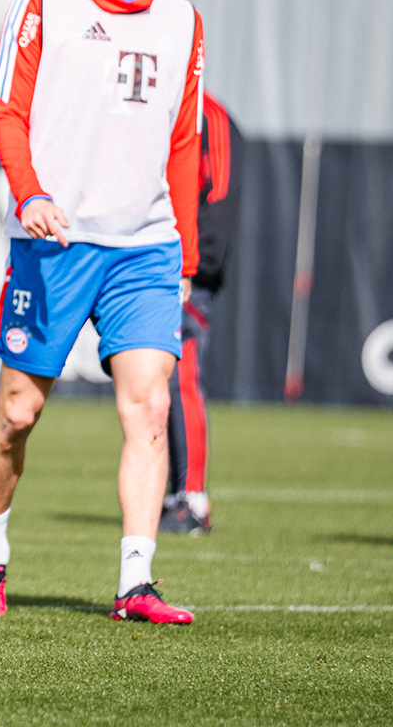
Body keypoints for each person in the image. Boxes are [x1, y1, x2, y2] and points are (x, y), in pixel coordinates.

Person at [0, 0, 202, 624]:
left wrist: (187, 257)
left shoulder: (182, 19)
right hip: (56, 242)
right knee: (18, 413)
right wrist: (30, 192)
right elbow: (9, 110)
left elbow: (185, 143)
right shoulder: (44, 1)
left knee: (149, 409)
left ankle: (136, 582)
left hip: (145, 248)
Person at [159, 93, 239, 535]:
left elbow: (220, 195)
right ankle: (174, 496)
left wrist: (197, 267)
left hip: (188, 272)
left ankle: (193, 500)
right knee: (158, 384)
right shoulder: (155, 103)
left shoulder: (210, 116)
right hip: (153, 263)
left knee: (183, 378)